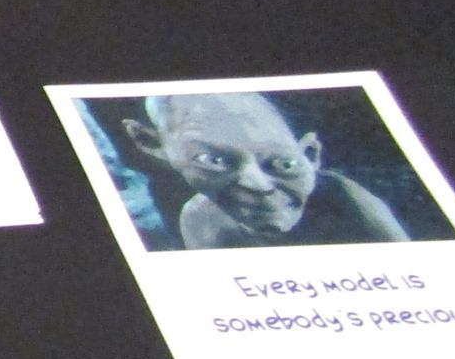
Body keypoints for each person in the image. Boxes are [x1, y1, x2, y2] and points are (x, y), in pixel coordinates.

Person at [121, 92, 409, 250]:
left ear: (311, 154)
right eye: (211, 160)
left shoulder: (350, 203)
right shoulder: (202, 220)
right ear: (150, 144)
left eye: (284, 164)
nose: (258, 185)